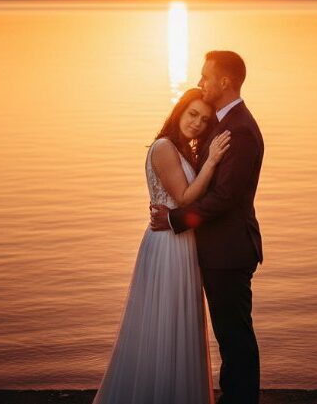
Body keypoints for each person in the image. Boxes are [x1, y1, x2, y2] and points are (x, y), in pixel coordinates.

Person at [92, 87, 232, 404]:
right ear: (179, 111)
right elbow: (183, 198)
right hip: (167, 245)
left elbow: (186, 202)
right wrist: (212, 162)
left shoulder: (182, 151)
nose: (197, 122)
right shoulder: (163, 147)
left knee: (180, 322)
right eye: (192, 113)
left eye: (204, 119)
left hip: (181, 243)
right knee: (163, 322)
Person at [150, 50, 264, 404]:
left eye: (205, 77)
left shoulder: (240, 130)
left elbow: (224, 200)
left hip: (230, 251)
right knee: (230, 335)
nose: (201, 83)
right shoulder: (222, 123)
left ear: (224, 82)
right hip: (218, 250)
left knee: (235, 338)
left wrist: (174, 220)